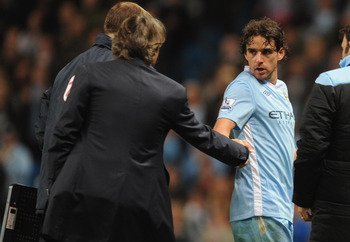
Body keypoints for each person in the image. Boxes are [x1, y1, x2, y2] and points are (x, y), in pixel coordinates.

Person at [40, 15, 250, 242]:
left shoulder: (89, 74)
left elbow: (61, 136)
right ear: (154, 49)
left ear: (119, 42)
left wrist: (53, 185)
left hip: (81, 197)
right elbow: (202, 137)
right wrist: (239, 152)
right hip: (136, 206)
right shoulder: (170, 91)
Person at [34, 2, 151, 214]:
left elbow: (44, 124)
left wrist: (58, 162)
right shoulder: (116, 70)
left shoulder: (68, 69)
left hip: (52, 200)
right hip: (86, 203)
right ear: (130, 30)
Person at [213, 17, 296, 241]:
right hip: (258, 209)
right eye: (252, 52)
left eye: (266, 52)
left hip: (280, 210)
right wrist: (232, 148)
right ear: (245, 55)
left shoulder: (282, 90)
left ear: (280, 53)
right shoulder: (243, 86)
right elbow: (219, 133)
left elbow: (288, 151)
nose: (258, 59)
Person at [293, 24, 350, 241]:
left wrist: (304, 198)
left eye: (343, 48)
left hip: (335, 212)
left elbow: (312, 147)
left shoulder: (329, 82)